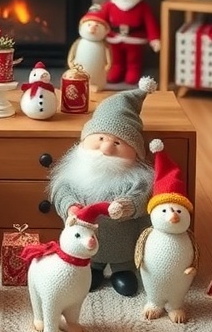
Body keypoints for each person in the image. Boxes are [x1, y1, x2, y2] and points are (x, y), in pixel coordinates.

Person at [48, 77, 156, 294]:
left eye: (117, 143)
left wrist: (127, 206)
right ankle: (94, 267)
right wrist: (70, 206)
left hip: (123, 243)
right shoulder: (74, 170)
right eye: (100, 138)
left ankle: (121, 270)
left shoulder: (136, 177)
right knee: (89, 267)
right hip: (85, 244)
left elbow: (143, 198)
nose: (106, 148)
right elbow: (62, 190)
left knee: (123, 263)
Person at [98, 0, 160, 85]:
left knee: (134, 59)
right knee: (116, 58)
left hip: (135, 39)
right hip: (114, 39)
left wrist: (154, 38)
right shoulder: (109, 5)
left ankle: (133, 71)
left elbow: (150, 23)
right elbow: (100, 17)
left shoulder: (142, 7)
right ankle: (116, 69)